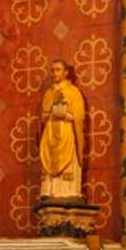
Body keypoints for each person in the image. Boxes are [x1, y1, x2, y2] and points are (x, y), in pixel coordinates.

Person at [39, 59, 85, 200]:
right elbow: (43, 117)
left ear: (66, 72)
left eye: (58, 70)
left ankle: (67, 192)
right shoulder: (48, 93)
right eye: (52, 70)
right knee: (48, 159)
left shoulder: (73, 92)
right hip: (50, 133)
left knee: (68, 163)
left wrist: (66, 115)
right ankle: (50, 191)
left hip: (66, 132)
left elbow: (79, 116)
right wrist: (47, 114)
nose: (54, 73)